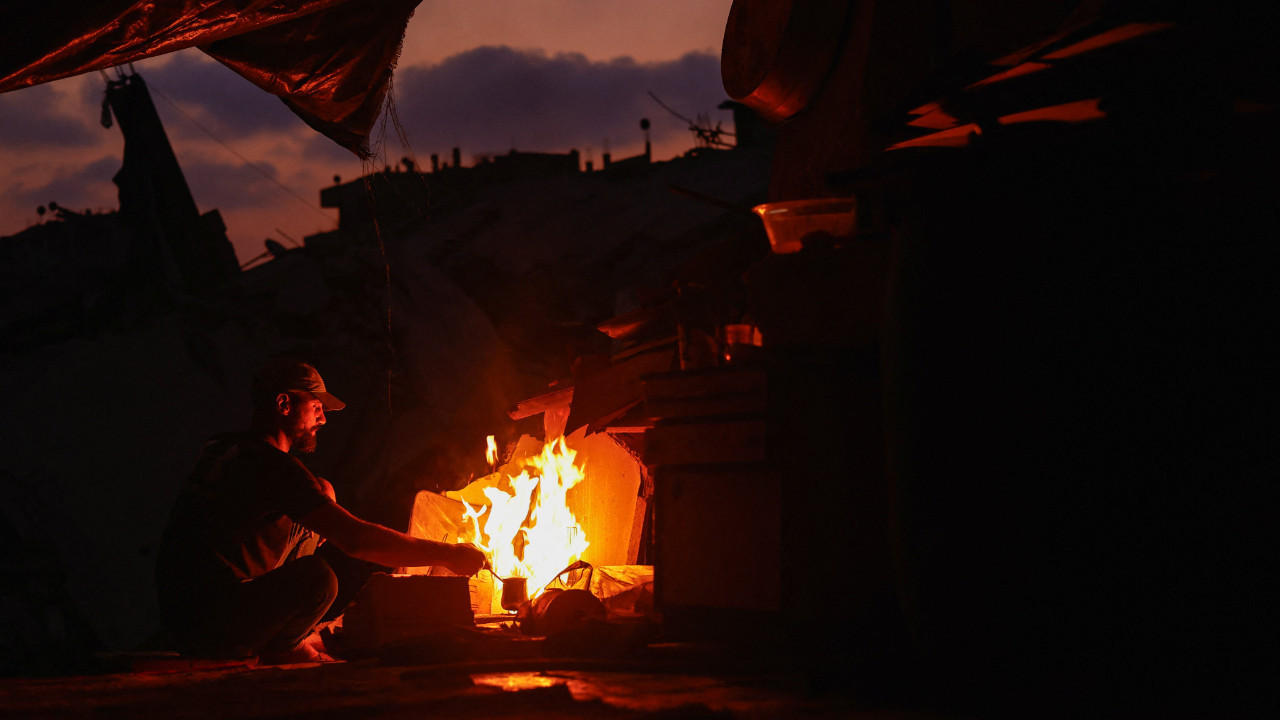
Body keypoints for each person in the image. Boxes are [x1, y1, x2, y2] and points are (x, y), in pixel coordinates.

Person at [155, 358, 487, 664]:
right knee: (319, 580)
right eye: (315, 406)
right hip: (212, 626)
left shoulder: (222, 448)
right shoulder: (273, 467)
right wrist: (447, 554)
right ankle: (284, 645)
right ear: (284, 404)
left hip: (183, 614)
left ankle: (279, 634)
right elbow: (356, 540)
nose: (323, 418)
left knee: (323, 491)